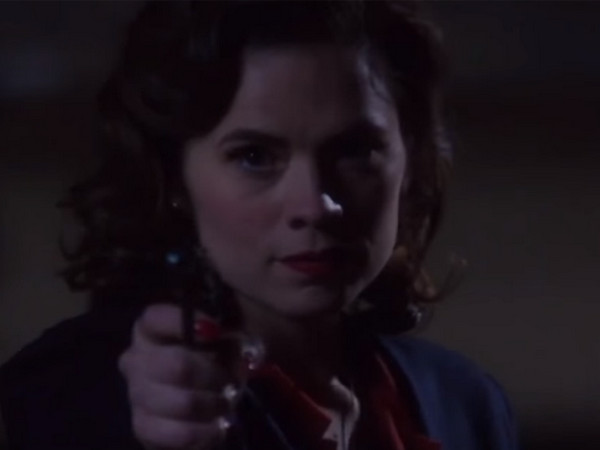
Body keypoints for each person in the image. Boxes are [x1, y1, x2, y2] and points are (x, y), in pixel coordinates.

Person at [0, 1, 519, 450]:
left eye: (356, 150)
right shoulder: (69, 394)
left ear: (410, 158)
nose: (316, 206)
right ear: (174, 177)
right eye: (254, 156)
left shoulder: (465, 405)